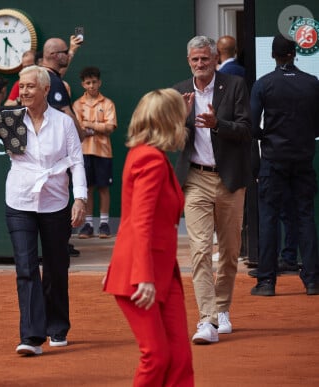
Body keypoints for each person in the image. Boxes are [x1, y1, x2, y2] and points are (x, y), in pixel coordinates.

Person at [0, 66, 87, 355]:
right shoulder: (10, 119)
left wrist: (79, 198)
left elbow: (77, 161)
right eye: (22, 86)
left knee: (56, 267)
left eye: (31, 86)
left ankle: (57, 326)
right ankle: (31, 336)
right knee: (25, 267)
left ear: (45, 90)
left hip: (56, 202)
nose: (25, 91)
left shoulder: (64, 123)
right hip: (19, 202)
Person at [103, 88, 194, 386]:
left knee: (179, 358)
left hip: (163, 272)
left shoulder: (149, 155)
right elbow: (140, 222)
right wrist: (144, 276)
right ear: (167, 120)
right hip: (141, 276)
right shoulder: (150, 160)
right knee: (157, 356)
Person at [172, 35, 251, 344]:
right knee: (201, 250)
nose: (200, 64)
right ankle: (206, 319)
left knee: (230, 252)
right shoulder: (179, 91)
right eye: (195, 59)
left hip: (230, 179)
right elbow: (170, 138)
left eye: (205, 58)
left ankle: (222, 309)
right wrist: (180, 118)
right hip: (195, 179)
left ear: (216, 58)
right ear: (188, 61)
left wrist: (218, 124)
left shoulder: (234, 86)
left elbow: (247, 130)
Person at [250, 35, 319, 297]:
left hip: (273, 159)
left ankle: (266, 282)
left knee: (269, 217)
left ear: (273, 55)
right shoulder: (312, 83)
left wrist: (270, 137)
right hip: (303, 158)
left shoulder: (263, 84)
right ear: (294, 53)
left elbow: (253, 127)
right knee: (305, 215)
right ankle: (313, 280)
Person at [73, 66, 117, 239]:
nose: (91, 86)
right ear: (83, 84)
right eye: (88, 83)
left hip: (103, 152)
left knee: (103, 188)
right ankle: (88, 224)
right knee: (88, 188)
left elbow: (110, 127)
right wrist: (96, 127)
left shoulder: (107, 103)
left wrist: (89, 125)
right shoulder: (77, 104)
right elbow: (77, 127)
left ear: (100, 82)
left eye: (94, 82)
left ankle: (104, 223)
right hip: (83, 151)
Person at [41, 37, 83, 141]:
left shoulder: (39, 76)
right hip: (53, 142)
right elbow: (66, 112)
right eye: (65, 52)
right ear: (54, 55)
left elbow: (58, 74)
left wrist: (73, 50)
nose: (67, 54)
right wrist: (81, 135)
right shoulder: (54, 81)